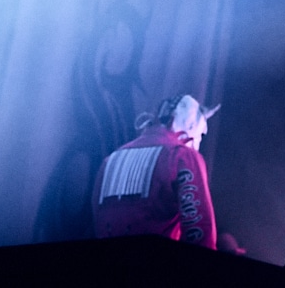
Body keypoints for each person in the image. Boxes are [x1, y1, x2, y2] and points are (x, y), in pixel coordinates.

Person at [92, 95, 218, 249]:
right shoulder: (182, 156)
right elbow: (200, 233)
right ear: (192, 126)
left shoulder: (109, 161)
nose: (199, 141)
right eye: (200, 135)